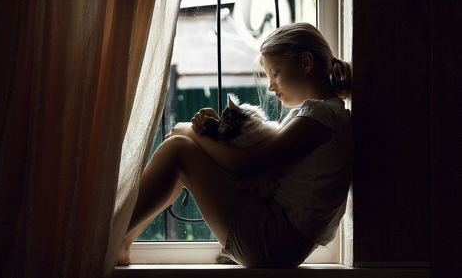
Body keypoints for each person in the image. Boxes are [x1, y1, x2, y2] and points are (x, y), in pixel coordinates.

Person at [117, 22, 354, 268]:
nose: (271, 86)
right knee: (183, 147)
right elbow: (252, 157)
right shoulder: (319, 116)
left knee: (177, 148)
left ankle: (108, 239)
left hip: (273, 241)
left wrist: (190, 131)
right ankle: (122, 240)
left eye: (275, 72)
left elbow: (245, 164)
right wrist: (209, 130)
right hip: (278, 240)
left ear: (306, 63)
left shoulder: (319, 118)